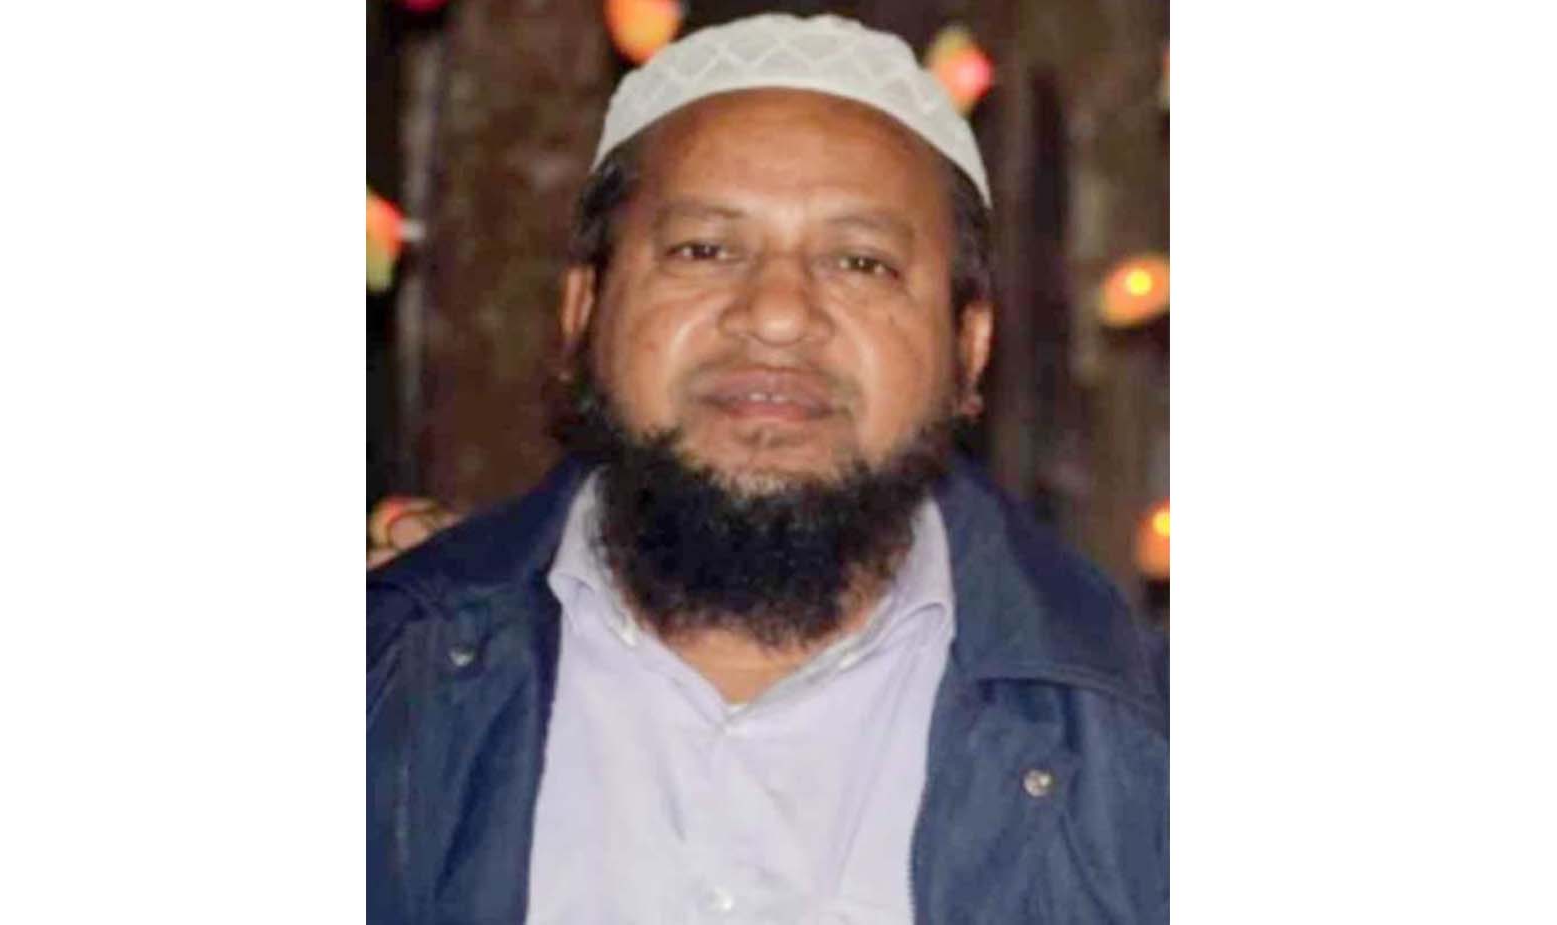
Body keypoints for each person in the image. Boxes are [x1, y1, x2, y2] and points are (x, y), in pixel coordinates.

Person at [368, 13, 1167, 924]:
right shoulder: (389, 676)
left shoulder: (1141, 748)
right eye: (704, 249)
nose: (779, 315)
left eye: (861, 262)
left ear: (969, 346)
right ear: (584, 308)